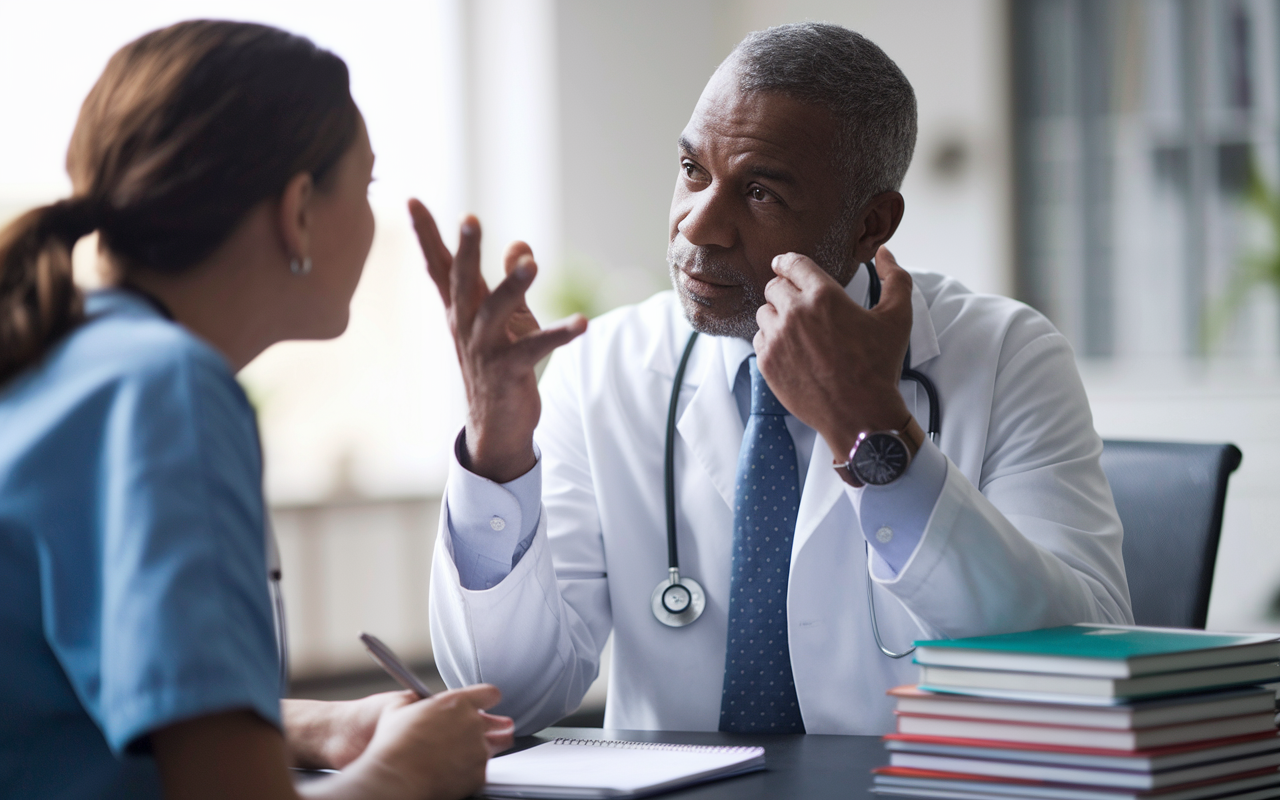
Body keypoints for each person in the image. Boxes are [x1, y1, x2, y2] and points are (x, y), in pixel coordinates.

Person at [420, 22, 1132, 736]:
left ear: (870, 224)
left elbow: (1075, 669)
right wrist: (497, 449)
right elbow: (507, 697)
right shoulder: (601, 368)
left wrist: (876, 433)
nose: (698, 227)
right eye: (693, 170)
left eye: (759, 193)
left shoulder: (1007, 357)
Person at [0, 20, 511, 800]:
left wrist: (314, 726)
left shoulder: (58, 360)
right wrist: (412, 769)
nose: (374, 221)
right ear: (298, 210)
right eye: (366, 186)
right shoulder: (169, 391)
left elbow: (62, 698)